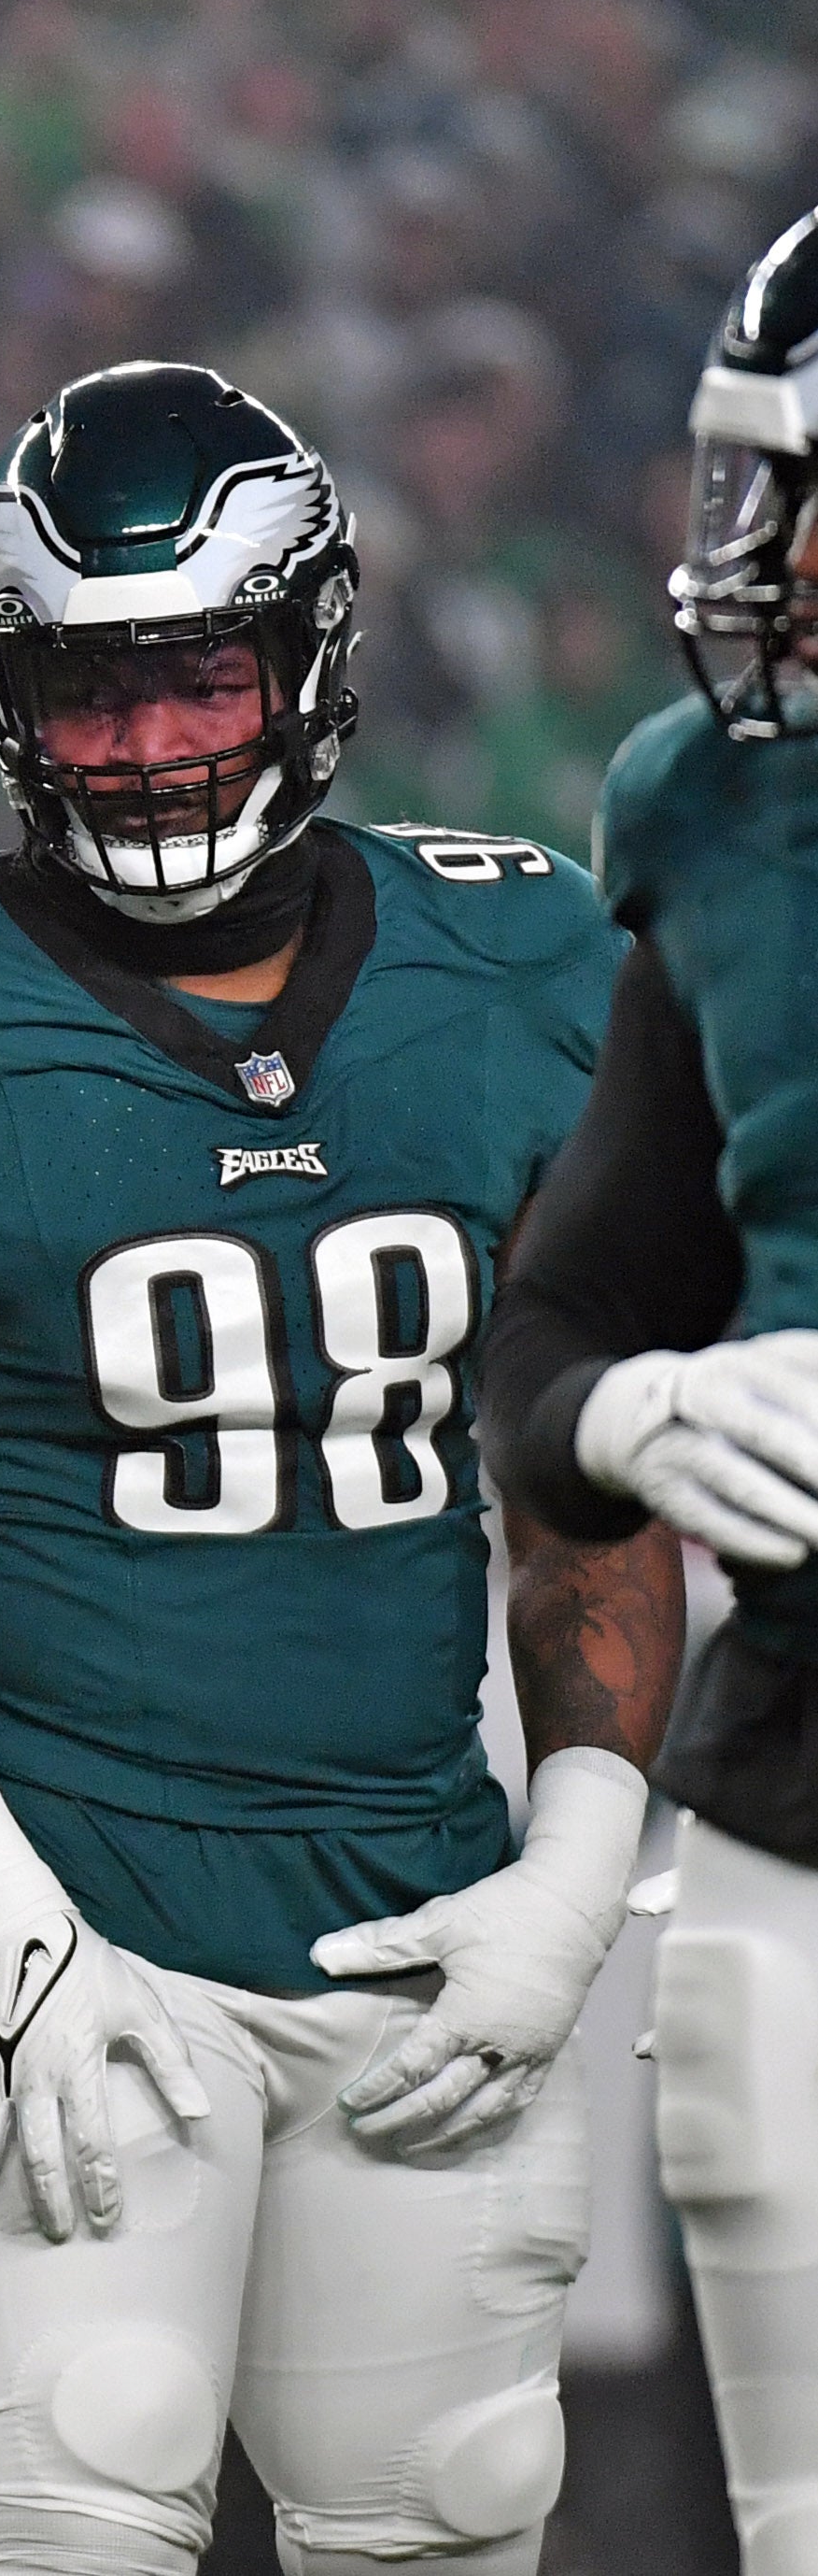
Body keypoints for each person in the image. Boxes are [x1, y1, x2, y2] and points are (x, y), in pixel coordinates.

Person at [0, 361, 685, 2576]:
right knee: (78, 2504)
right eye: (84, 691)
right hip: (58, 1917)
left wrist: (571, 1865)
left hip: (416, 1910)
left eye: (193, 677)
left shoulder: (517, 954)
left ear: (305, 658)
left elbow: (586, 1477)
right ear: (0, 694)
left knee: (449, 2512)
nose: (141, 743)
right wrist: (1, 1914)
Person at [479, 201, 818, 2576]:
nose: (767, 560)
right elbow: (561, 1313)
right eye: (761, 490)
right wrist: (621, 1422)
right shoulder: (715, 811)